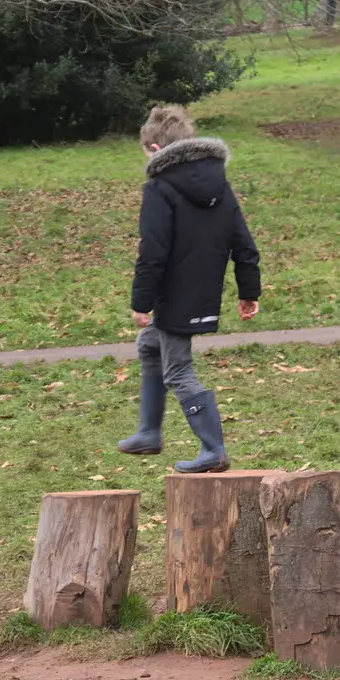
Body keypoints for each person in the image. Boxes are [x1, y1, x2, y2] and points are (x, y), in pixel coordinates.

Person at [119, 105, 261, 473]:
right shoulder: (220, 184)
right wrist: (249, 292)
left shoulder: (159, 188)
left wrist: (141, 302)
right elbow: (243, 243)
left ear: (154, 149)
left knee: (178, 371)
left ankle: (213, 449)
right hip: (204, 292)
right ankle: (149, 431)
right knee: (149, 345)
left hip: (175, 297)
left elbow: (152, 251)